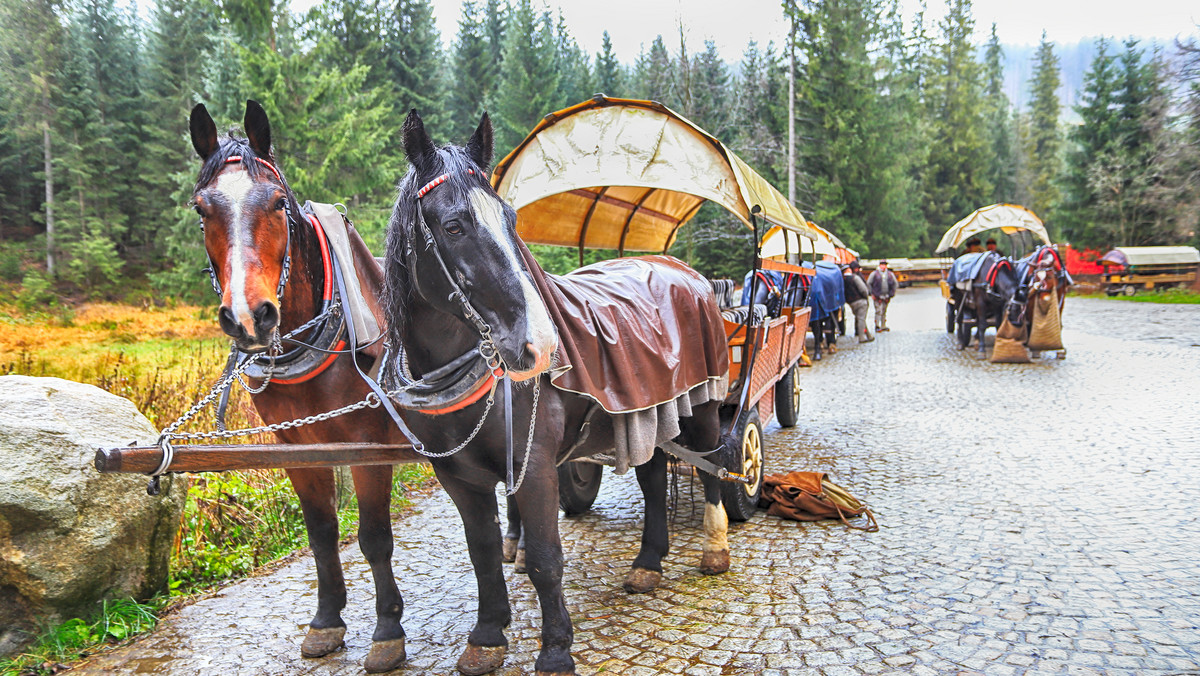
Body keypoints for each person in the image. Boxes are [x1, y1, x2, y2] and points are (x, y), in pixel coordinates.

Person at [842, 261, 873, 342]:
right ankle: (861, 337)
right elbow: (864, 290)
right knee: (861, 319)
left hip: (851, 303)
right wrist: (866, 297)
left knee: (860, 318)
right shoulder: (855, 278)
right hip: (860, 300)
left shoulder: (843, 280)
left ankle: (869, 335)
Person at [867, 259, 898, 332]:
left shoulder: (890, 274)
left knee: (884, 311)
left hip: (887, 295)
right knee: (878, 311)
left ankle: (883, 325)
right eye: (882, 264)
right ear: (879, 265)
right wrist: (871, 293)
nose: (883, 266)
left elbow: (895, 284)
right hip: (877, 295)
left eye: (885, 265)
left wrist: (892, 294)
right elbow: (869, 283)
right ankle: (877, 325)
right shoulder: (874, 274)